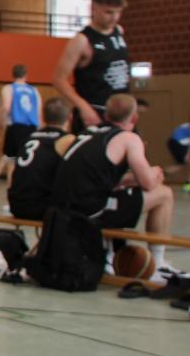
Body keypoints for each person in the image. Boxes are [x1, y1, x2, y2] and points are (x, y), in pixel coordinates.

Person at [52, 94, 184, 281]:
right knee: (164, 194)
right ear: (134, 118)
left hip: (61, 207)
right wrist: (153, 173)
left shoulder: (88, 132)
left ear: (106, 115)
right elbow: (148, 183)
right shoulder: (129, 138)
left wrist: (131, 179)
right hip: (86, 211)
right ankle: (158, 263)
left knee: (121, 193)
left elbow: (101, 178)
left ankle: (108, 254)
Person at [53, 0, 130, 131]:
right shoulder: (81, 41)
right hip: (95, 112)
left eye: (118, 12)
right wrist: (83, 107)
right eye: (109, 12)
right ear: (93, 8)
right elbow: (58, 79)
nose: (114, 17)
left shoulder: (119, 31)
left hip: (120, 111)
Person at [7, 97, 71, 221]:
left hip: (16, 205)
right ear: (70, 117)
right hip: (42, 208)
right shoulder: (66, 140)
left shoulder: (29, 138)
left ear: (42, 116)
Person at [0, 64, 42, 193]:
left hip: (16, 127)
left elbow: (6, 107)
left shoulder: (9, 88)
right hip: (32, 129)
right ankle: (26, 189)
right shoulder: (34, 90)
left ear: (13, 74)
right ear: (26, 75)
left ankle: (8, 189)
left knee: (10, 160)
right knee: (28, 160)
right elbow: (39, 111)